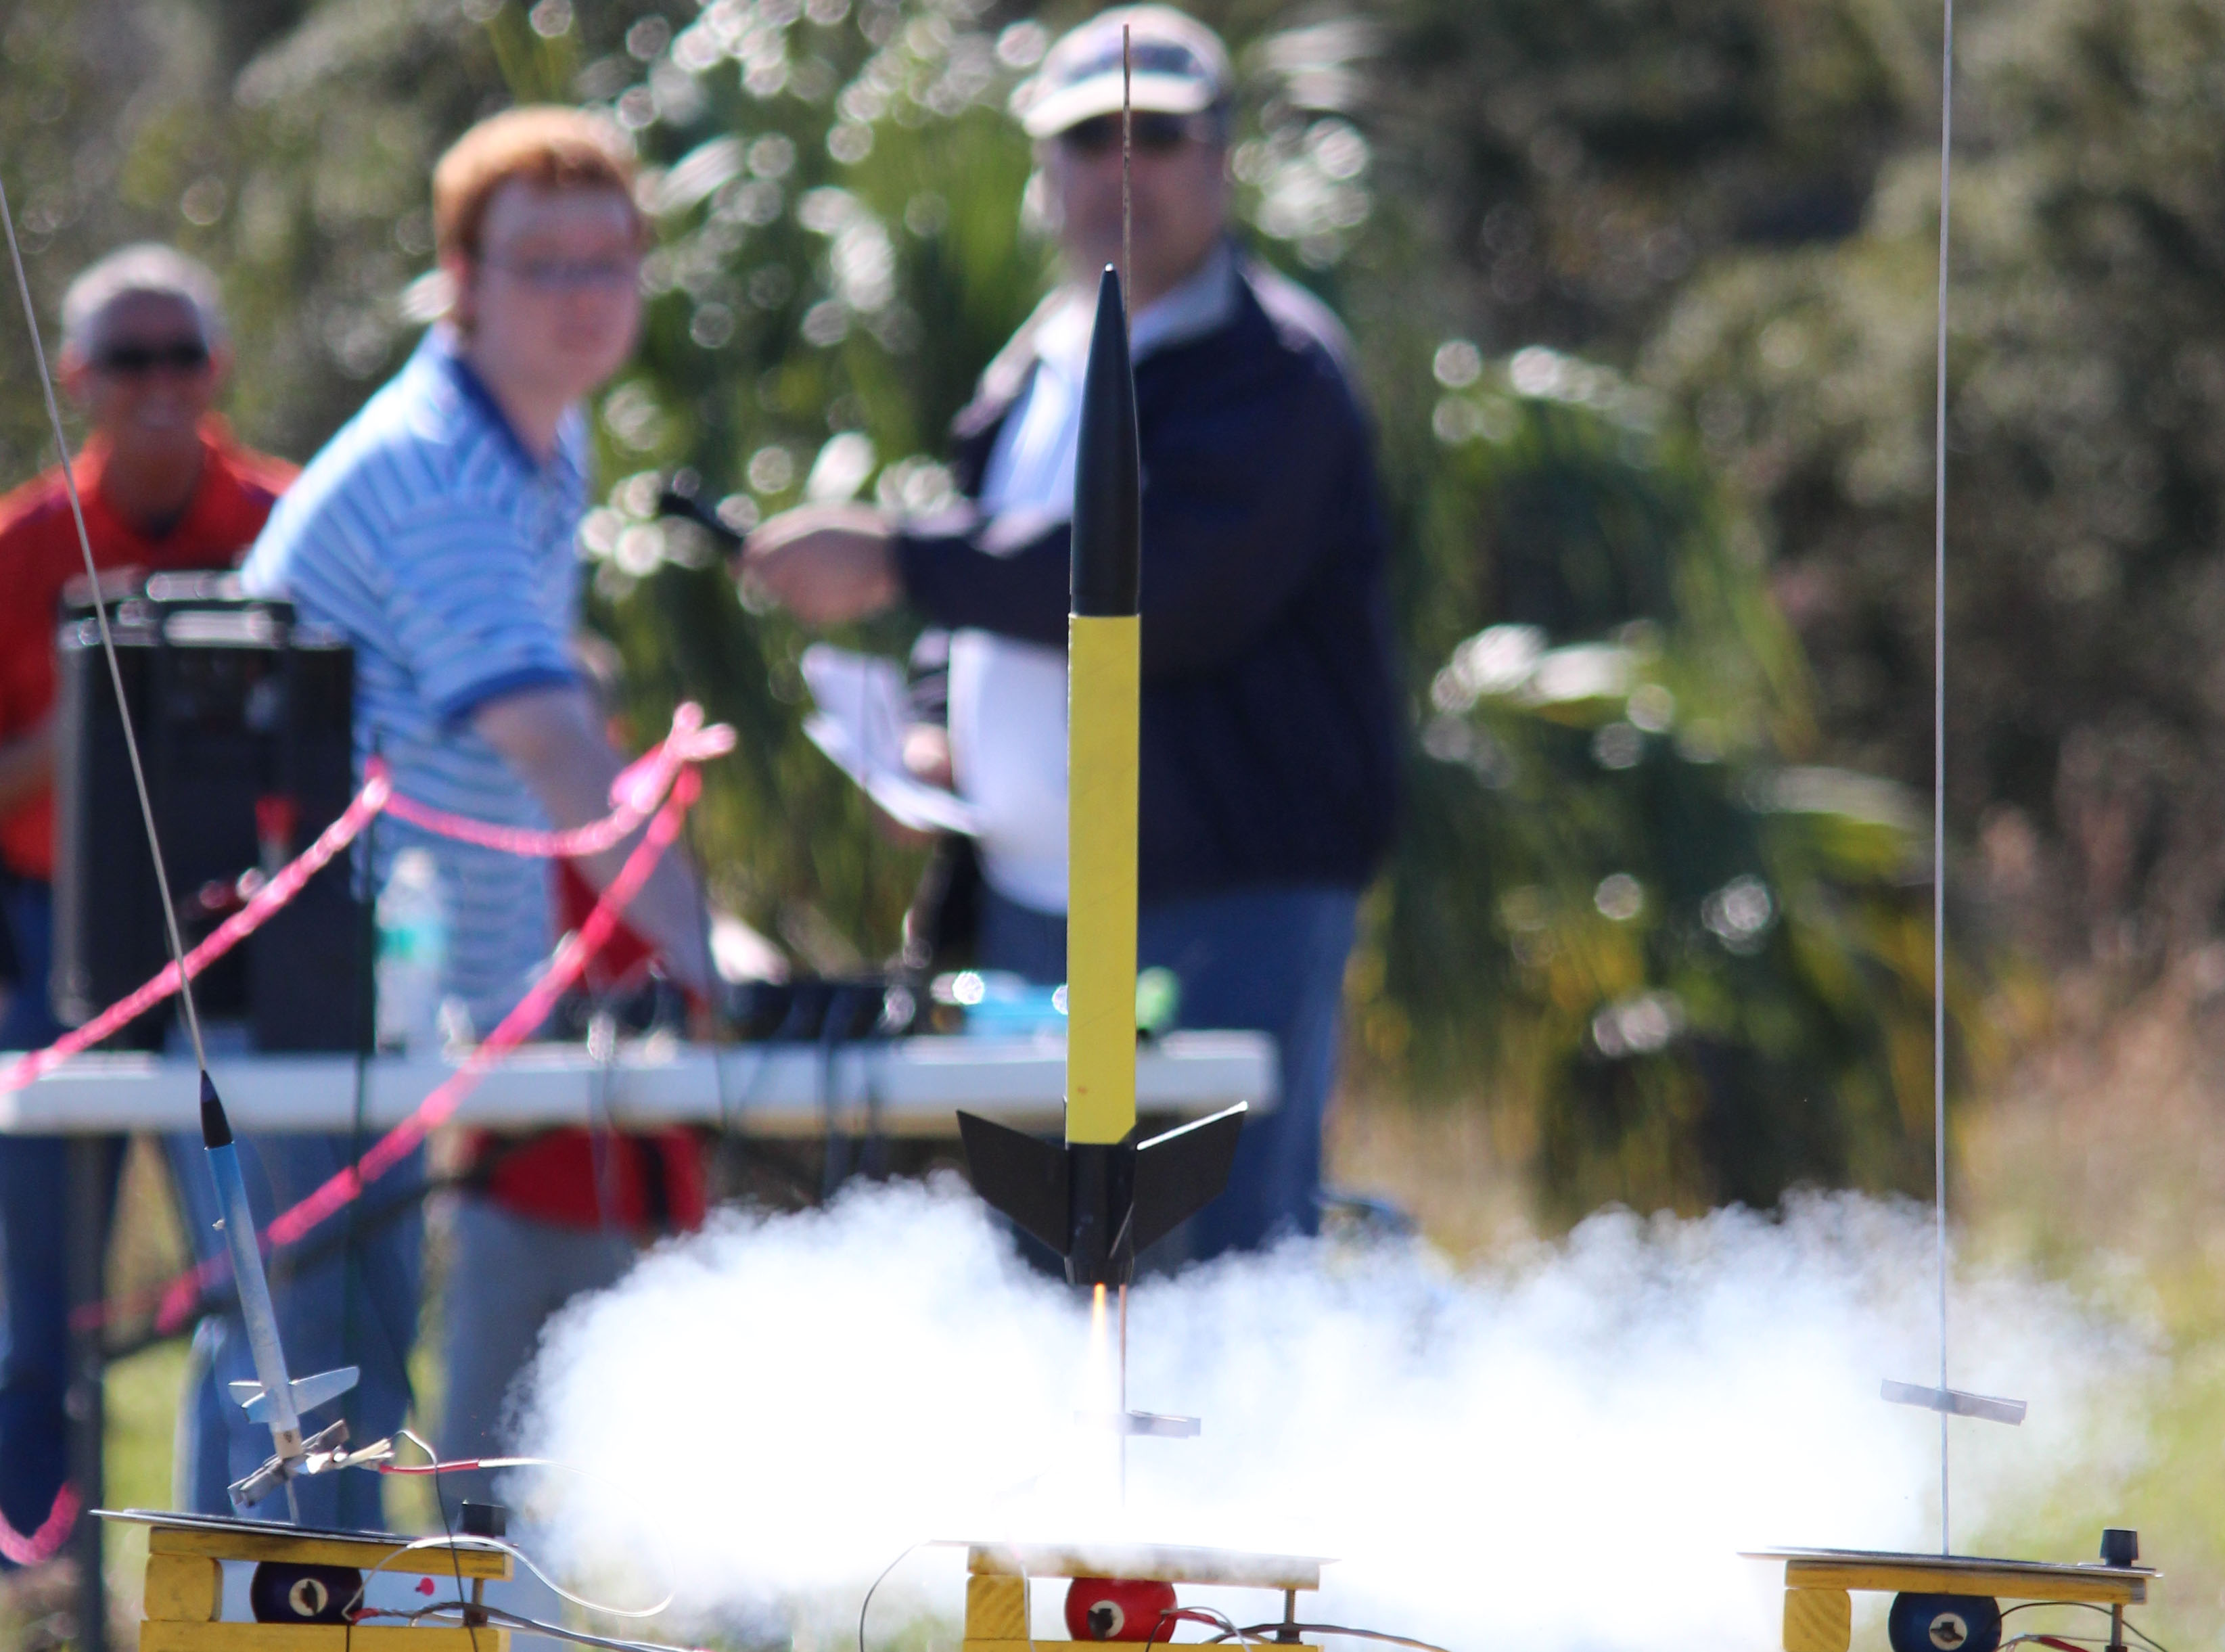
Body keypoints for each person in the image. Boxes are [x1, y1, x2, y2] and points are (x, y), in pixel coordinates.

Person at [743, 5, 1399, 1260]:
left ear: (1222, 159)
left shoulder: (1276, 367)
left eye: (1158, 137)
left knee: (1222, 1264)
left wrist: (895, 557)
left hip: (1230, 905)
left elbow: (1171, 589)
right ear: (1046, 168)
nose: (1121, 169)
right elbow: (985, 591)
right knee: (1045, 1266)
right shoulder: (1033, 363)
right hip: (1030, 914)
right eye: (1090, 140)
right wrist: (931, 730)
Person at [239, 106, 716, 1531]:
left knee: (347, 1368)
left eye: (608, 260)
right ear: (461, 279)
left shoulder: (539, 441)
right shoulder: (439, 463)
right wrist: (711, 975)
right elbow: (557, 751)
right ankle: (265, 1627)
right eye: (542, 263)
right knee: (309, 1394)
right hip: (315, 979)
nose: (583, 294)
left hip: (401, 993)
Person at [0, 246, 296, 1551]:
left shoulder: (288, 521)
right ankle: (39, 1579)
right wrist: (85, 709)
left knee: (261, 1294)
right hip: (50, 943)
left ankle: (236, 1573)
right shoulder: (20, 547)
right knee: (43, 1308)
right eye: (130, 358)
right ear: (79, 375)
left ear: (218, 366)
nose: (159, 381)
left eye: (182, 353)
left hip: (248, 949)